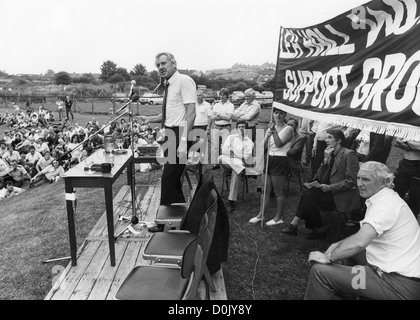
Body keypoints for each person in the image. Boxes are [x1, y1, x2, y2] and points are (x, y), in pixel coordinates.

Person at [305, 161, 420, 300]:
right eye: (358, 178)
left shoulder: (385, 205)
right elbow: (361, 238)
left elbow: (360, 242)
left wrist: (328, 257)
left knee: (319, 272)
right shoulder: (386, 198)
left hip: (397, 286)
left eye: (365, 179)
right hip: (398, 276)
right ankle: (354, 292)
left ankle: (346, 288)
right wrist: (337, 245)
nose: (359, 184)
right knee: (349, 253)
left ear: (384, 182)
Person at [138, 52, 196, 232]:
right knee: (174, 181)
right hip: (171, 133)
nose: (160, 67)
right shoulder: (169, 85)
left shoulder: (184, 81)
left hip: (180, 135)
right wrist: (150, 119)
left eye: (163, 63)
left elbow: (191, 112)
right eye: (158, 65)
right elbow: (169, 114)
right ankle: (182, 220)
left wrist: (183, 142)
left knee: (168, 179)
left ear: (174, 63)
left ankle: (163, 223)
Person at [281, 129, 361, 239]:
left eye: (329, 138)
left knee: (309, 197)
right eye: (326, 137)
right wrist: (325, 160)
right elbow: (320, 177)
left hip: (341, 194)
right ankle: (313, 228)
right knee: (309, 195)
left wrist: (330, 187)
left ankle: (303, 225)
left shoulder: (348, 154)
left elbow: (351, 181)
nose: (326, 140)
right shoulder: (329, 153)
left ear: (338, 140)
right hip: (326, 190)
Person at [249, 108, 294, 226]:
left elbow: (279, 144)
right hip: (269, 157)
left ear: (285, 115)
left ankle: (278, 217)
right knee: (265, 190)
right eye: (276, 113)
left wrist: (273, 132)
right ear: (273, 114)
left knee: (278, 191)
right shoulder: (270, 128)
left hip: (280, 159)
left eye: (281, 113)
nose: (278, 115)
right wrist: (267, 135)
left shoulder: (288, 129)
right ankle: (261, 214)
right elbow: (262, 146)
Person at [218, 120, 254, 212]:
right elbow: (224, 151)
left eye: (243, 127)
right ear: (237, 128)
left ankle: (231, 200)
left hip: (238, 163)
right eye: (239, 127)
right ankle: (240, 169)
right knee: (220, 157)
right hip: (227, 161)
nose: (241, 128)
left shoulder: (249, 142)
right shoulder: (231, 137)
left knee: (236, 171)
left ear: (246, 129)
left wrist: (233, 153)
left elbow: (246, 157)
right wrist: (238, 154)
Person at [393, 138, 420, 219]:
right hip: (406, 163)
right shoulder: (410, 127)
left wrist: (406, 141)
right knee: (395, 193)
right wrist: (414, 147)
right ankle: (390, 218)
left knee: (416, 197)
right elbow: (397, 142)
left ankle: (411, 224)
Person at [210, 88, 235, 169]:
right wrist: (223, 116)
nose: (222, 96)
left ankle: (225, 164)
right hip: (216, 127)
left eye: (224, 95)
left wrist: (219, 114)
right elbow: (213, 117)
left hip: (226, 127)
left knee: (225, 147)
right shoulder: (216, 105)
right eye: (221, 94)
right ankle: (216, 164)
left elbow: (229, 117)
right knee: (215, 146)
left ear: (227, 96)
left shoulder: (230, 105)